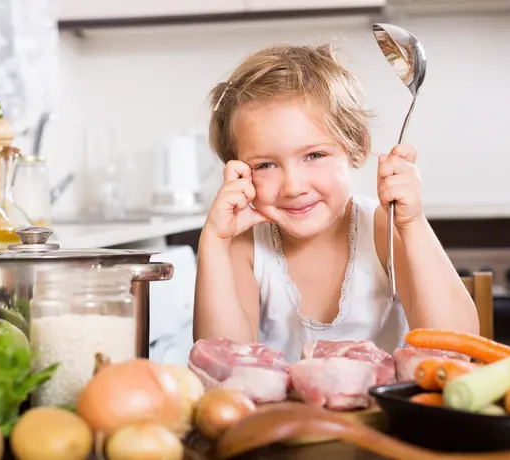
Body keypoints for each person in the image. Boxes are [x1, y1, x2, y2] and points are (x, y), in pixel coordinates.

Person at [193, 43, 479, 363]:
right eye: (265, 165)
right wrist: (214, 242)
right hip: (284, 414)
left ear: (356, 147)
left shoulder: (382, 227)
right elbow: (223, 366)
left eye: (314, 155)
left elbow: (458, 352)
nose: (294, 187)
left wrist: (412, 224)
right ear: (239, 173)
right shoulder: (246, 246)